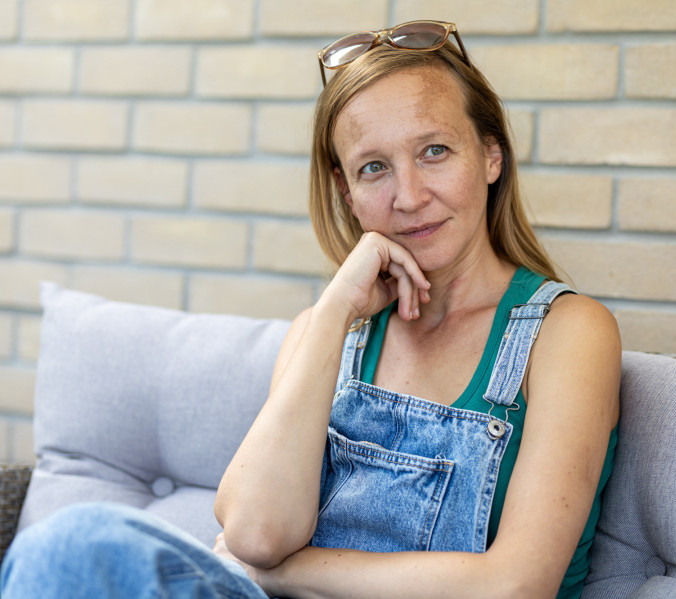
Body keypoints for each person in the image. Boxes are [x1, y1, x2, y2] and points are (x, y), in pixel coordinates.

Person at [0, 20, 620, 599]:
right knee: (70, 545)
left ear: (491, 155)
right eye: (374, 168)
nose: (408, 196)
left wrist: (286, 572)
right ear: (346, 192)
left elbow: (515, 585)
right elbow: (255, 534)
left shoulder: (567, 333)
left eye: (434, 151)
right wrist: (331, 315)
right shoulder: (326, 331)